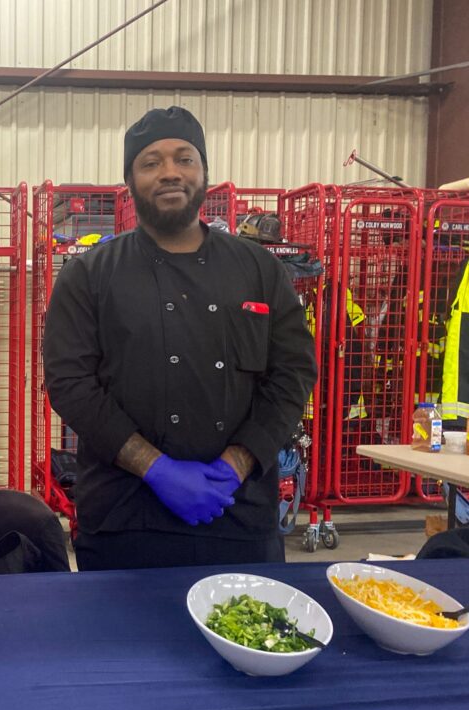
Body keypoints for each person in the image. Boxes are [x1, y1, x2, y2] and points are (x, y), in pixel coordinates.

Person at [42, 106, 317, 570]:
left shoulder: (259, 269)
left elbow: (293, 373)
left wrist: (235, 464)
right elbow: (70, 384)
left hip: (239, 512)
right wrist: (157, 469)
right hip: (124, 519)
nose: (170, 172)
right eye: (151, 162)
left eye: (184, 159)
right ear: (129, 181)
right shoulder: (88, 275)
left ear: (204, 172)